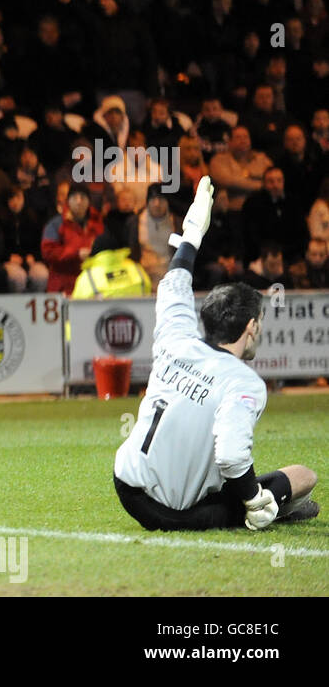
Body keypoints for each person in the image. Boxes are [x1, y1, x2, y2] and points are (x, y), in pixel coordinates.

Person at [114, 176, 319, 532]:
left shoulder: (177, 337)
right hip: (180, 513)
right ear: (251, 327)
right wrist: (254, 501)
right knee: (304, 476)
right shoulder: (245, 382)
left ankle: (266, 505)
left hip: (127, 487)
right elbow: (231, 455)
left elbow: (174, 282)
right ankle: (270, 508)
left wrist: (192, 234)